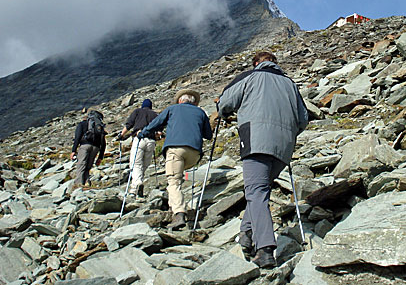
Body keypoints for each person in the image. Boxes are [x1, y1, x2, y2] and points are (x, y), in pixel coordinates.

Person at [217, 51, 308, 268]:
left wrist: (221, 109)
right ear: (275, 63)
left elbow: (225, 104)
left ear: (256, 63)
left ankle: (265, 249)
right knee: (260, 190)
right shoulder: (290, 84)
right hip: (284, 146)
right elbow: (303, 119)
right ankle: (246, 236)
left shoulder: (250, 76)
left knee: (255, 192)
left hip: (255, 140)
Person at [139, 89, 212, 229]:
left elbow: (156, 123)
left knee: (173, 182)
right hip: (194, 153)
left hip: (175, 149)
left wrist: (143, 133)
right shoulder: (201, 112)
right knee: (177, 179)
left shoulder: (173, 109)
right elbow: (208, 135)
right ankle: (174, 209)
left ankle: (179, 213)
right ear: (194, 102)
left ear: (180, 100)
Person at [119, 98, 158, 197]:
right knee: (145, 164)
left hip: (139, 139)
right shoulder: (154, 115)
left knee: (135, 164)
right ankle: (135, 188)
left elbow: (129, 124)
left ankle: (136, 185)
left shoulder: (137, 112)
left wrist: (121, 135)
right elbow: (159, 131)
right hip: (151, 141)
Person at [71, 109, 107, 188]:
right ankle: (87, 182)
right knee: (88, 166)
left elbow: (77, 137)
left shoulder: (83, 124)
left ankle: (79, 186)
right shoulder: (99, 127)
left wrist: (73, 150)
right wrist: (100, 157)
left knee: (81, 165)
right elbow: (103, 143)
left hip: (85, 146)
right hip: (96, 148)